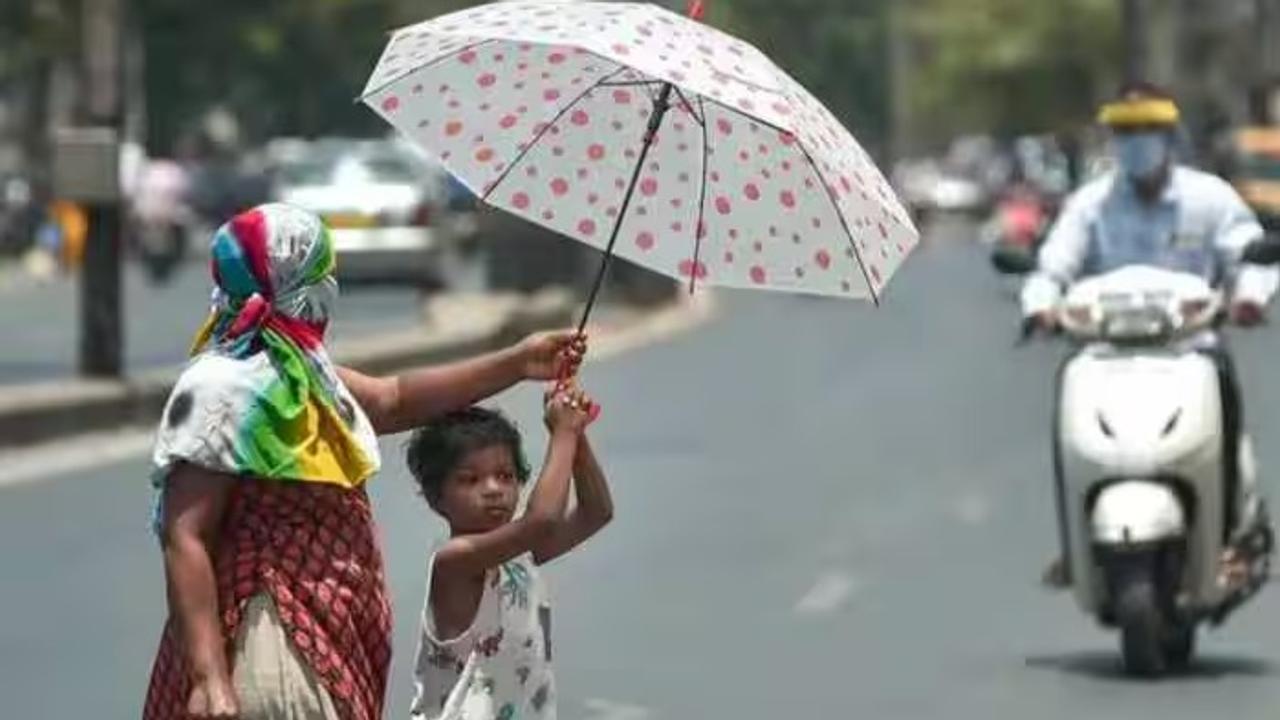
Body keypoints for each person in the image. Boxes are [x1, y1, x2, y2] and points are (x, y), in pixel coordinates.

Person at [142, 203, 587, 720]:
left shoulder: (305, 372)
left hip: (327, 635)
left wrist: (517, 363)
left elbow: (393, 399)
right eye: (319, 273)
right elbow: (185, 535)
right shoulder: (222, 386)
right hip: (271, 636)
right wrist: (209, 679)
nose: (328, 287)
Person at [1022, 83, 1277, 590]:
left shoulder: (1210, 199)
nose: (1137, 142)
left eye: (1147, 131)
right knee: (1064, 415)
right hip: (1104, 355)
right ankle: (1075, 544)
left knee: (1223, 400)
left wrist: (1249, 297)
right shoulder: (1091, 205)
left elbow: (1248, 254)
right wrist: (1041, 307)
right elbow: (1052, 267)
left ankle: (1227, 542)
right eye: (1126, 132)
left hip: (1190, 350)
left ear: (1169, 136)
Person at [404, 385, 612, 720]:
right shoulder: (454, 561)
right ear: (435, 498)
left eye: (505, 476)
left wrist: (577, 435)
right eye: (470, 480)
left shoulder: (517, 558)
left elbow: (596, 511)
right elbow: (542, 519)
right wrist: (564, 431)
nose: (493, 490)